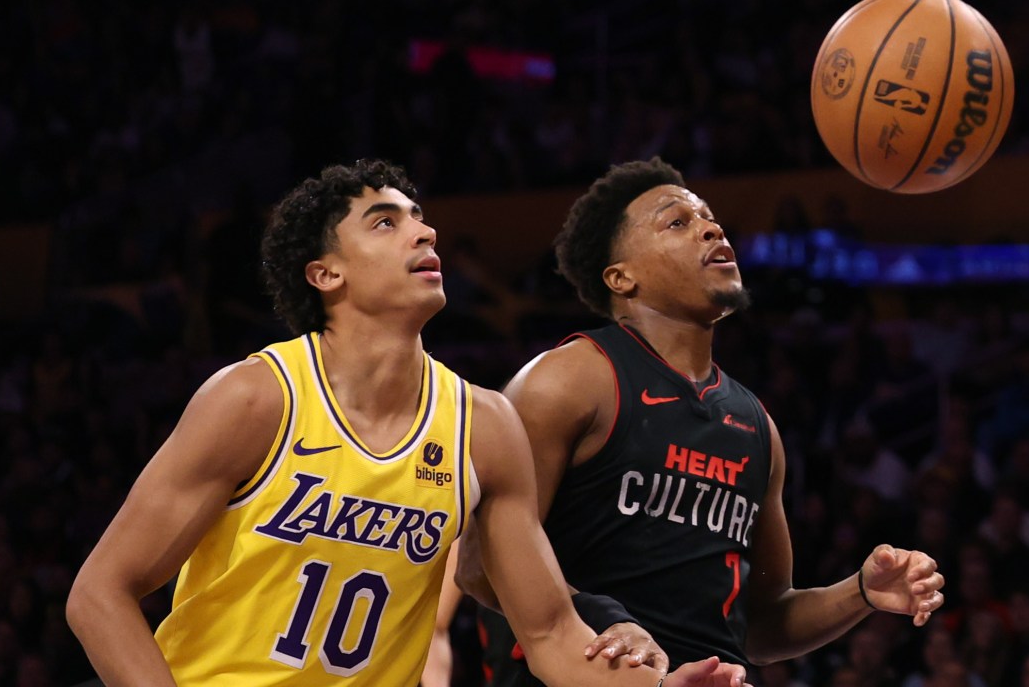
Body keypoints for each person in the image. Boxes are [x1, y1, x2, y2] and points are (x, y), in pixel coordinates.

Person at [64, 159, 743, 687]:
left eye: (419, 217)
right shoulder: (256, 399)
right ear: (326, 273)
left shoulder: (482, 425)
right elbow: (100, 593)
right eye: (386, 222)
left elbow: (551, 637)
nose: (426, 231)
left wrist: (656, 684)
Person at [457, 159, 944, 681]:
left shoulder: (756, 425)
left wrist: (861, 592)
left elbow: (760, 625)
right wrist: (604, 620)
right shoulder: (568, 381)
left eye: (710, 219)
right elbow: (478, 563)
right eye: (677, 222)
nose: (711, 228)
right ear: (622, 277)